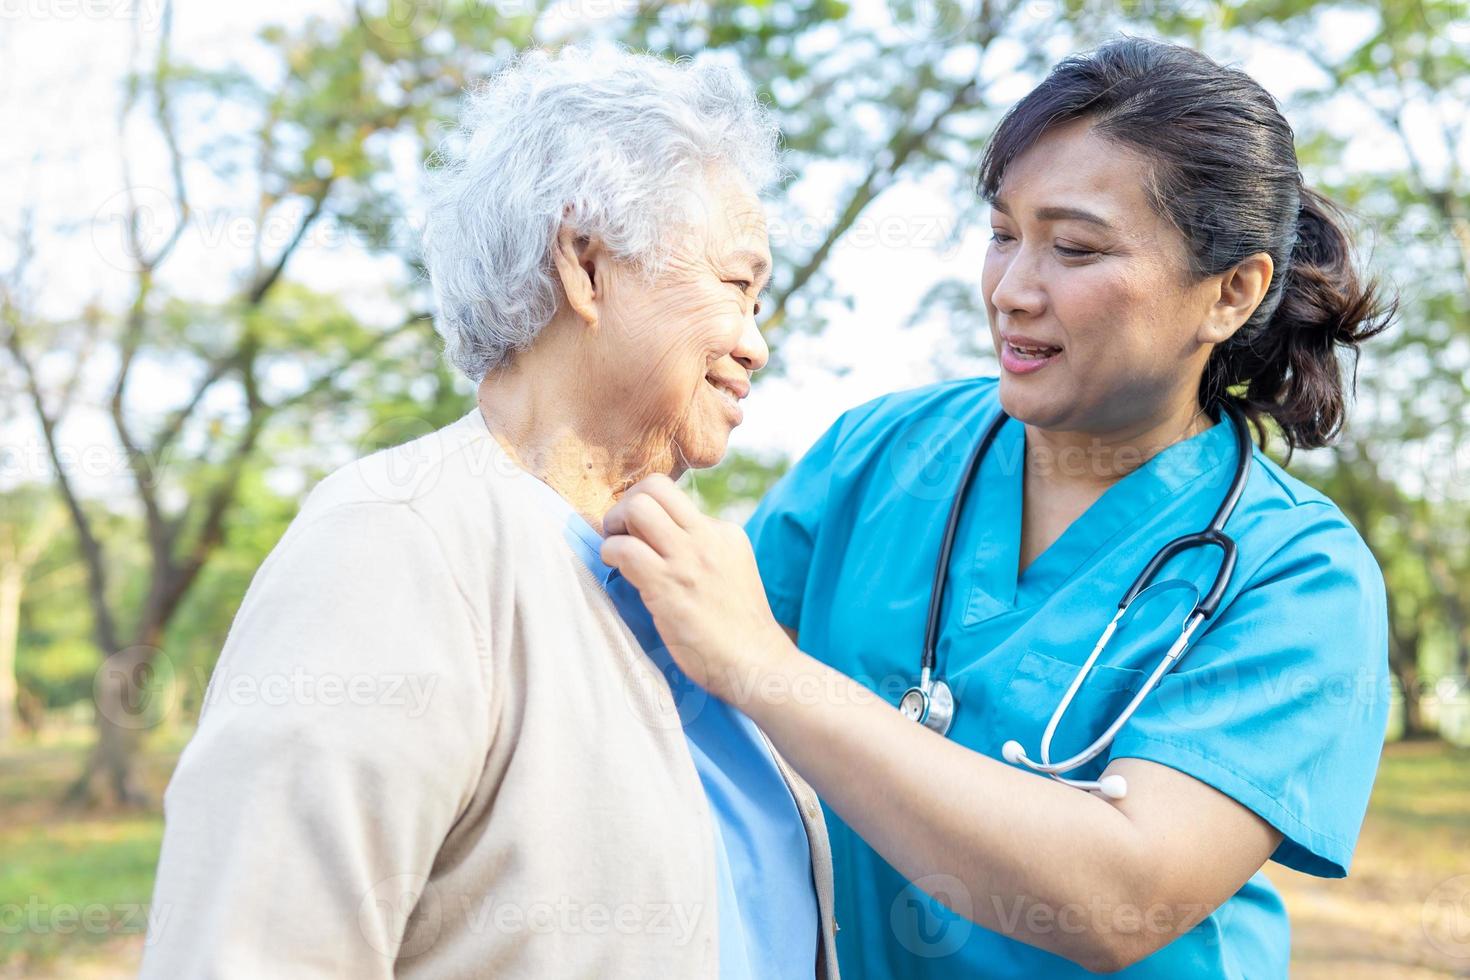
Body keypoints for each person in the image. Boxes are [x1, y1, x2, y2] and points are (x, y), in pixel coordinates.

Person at [599, 35, 1397, 977]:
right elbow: (664, 687)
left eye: (1076, 248)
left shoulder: (1296, 574)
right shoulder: (878, 455)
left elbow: (1122, 899)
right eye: (1003, 233)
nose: (1013, 291)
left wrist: (768, 669)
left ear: (1231, 292)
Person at [141, 44, 838, 979]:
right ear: (585, 265)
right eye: (736, 286)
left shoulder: (693, 574)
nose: (757, 345)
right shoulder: (394, 545)